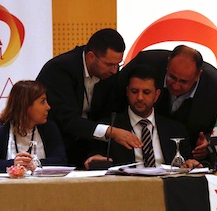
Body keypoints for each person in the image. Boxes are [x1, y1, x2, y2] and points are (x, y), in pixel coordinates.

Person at [36, 28, 141, 169]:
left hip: (87, 148)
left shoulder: (110, 75)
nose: (114, 71)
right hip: (56, 149)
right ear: (91, 56)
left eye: (118, 64)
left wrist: (97, 152)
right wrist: (112, 132)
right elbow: (67, 120)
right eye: (109, 64)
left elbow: (106, 116)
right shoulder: (60, 69)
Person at [116, 45, 217, 163]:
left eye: (183, 81)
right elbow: (114, 95)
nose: (175, 86)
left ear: (198, 76)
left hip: (188, 155)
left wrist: (209, 141)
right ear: (167, 64)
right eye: (171, 77)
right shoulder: (146, 62)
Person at [85, 64, 200, 170]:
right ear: (127, 92)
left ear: (156, 95)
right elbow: (95, 156)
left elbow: (188, 163)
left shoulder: (176, 129)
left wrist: (191, 164)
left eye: (146, 92)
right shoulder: (109, 128)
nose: (140, 97)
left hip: (167, 188)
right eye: (134, 91)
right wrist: (96, 160)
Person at [0, 80, 67, 172]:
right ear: (25, 105)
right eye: (42, 101)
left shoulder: (49, 129)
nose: (48, 107)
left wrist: (36, 163)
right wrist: (14, 164)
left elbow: (61, 160)